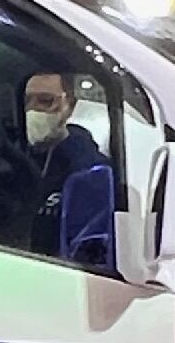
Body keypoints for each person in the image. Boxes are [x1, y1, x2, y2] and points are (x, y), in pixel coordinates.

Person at [18, 69, 115, 270]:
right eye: (27, 101)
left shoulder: (91, 171)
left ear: (69, 105)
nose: (33, 110)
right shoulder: (13, 161)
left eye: (46, 101)